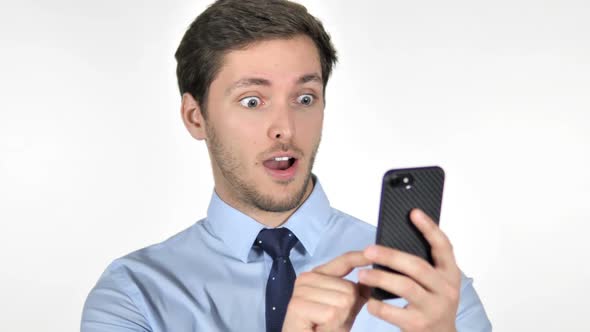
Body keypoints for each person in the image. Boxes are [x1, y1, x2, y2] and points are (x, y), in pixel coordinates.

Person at [81, 0, 492, 331]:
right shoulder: (133, 296)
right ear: (196, 117)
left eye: (305, 98)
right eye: (252, 101)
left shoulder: (427, 291)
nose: (285, 128)